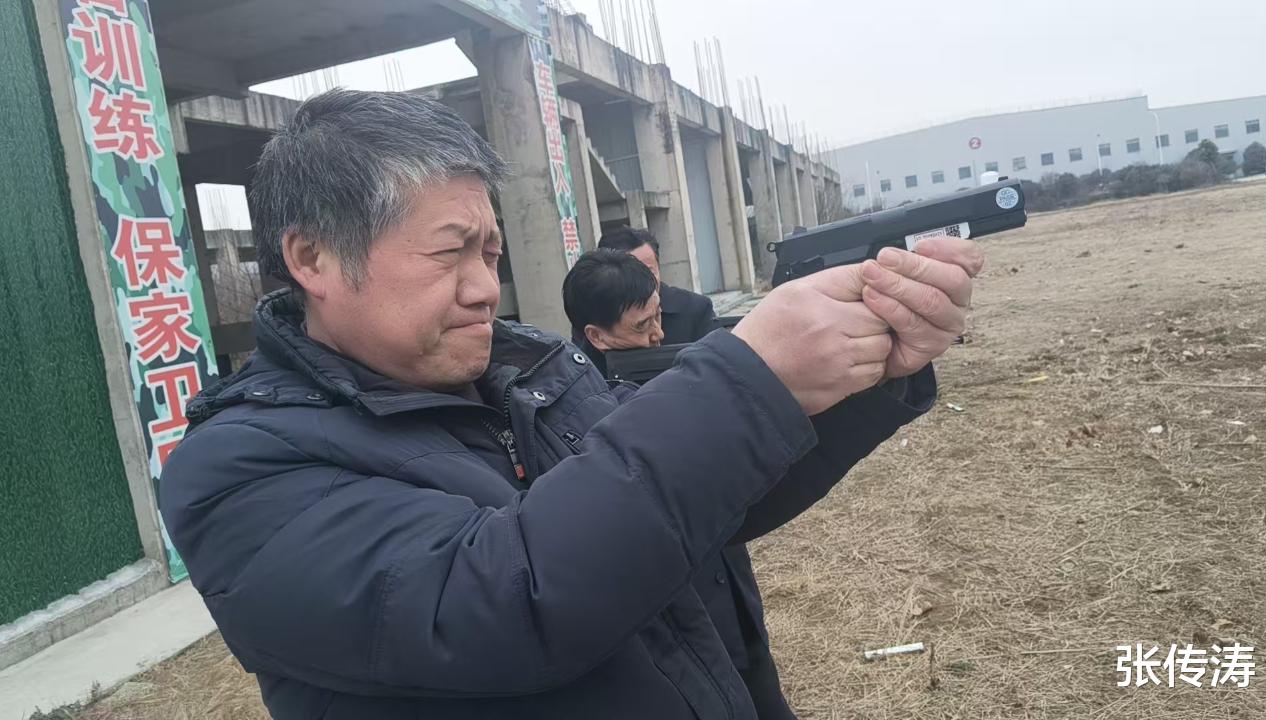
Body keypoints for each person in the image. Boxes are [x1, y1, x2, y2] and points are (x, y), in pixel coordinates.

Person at [159, 89, 983, 720]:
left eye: (490, 252)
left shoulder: (527, 372)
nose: (485, 288)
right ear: (312, 258)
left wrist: (855, 372)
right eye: (450, 253)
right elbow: (507, 600)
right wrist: (748, 379)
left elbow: (691, 510)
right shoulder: (241, 472)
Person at [562, 249, 918, 718]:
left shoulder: (670, 353)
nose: (658, 334)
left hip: (730, 589)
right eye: (642, 326)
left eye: (658, 316)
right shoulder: (576, 419)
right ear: (596, 336)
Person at [597, 226, 717, 343]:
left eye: (649, 272)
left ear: (659, 268)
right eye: (631, 275)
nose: (642, 281)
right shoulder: (597, 316)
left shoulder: (695, 309)